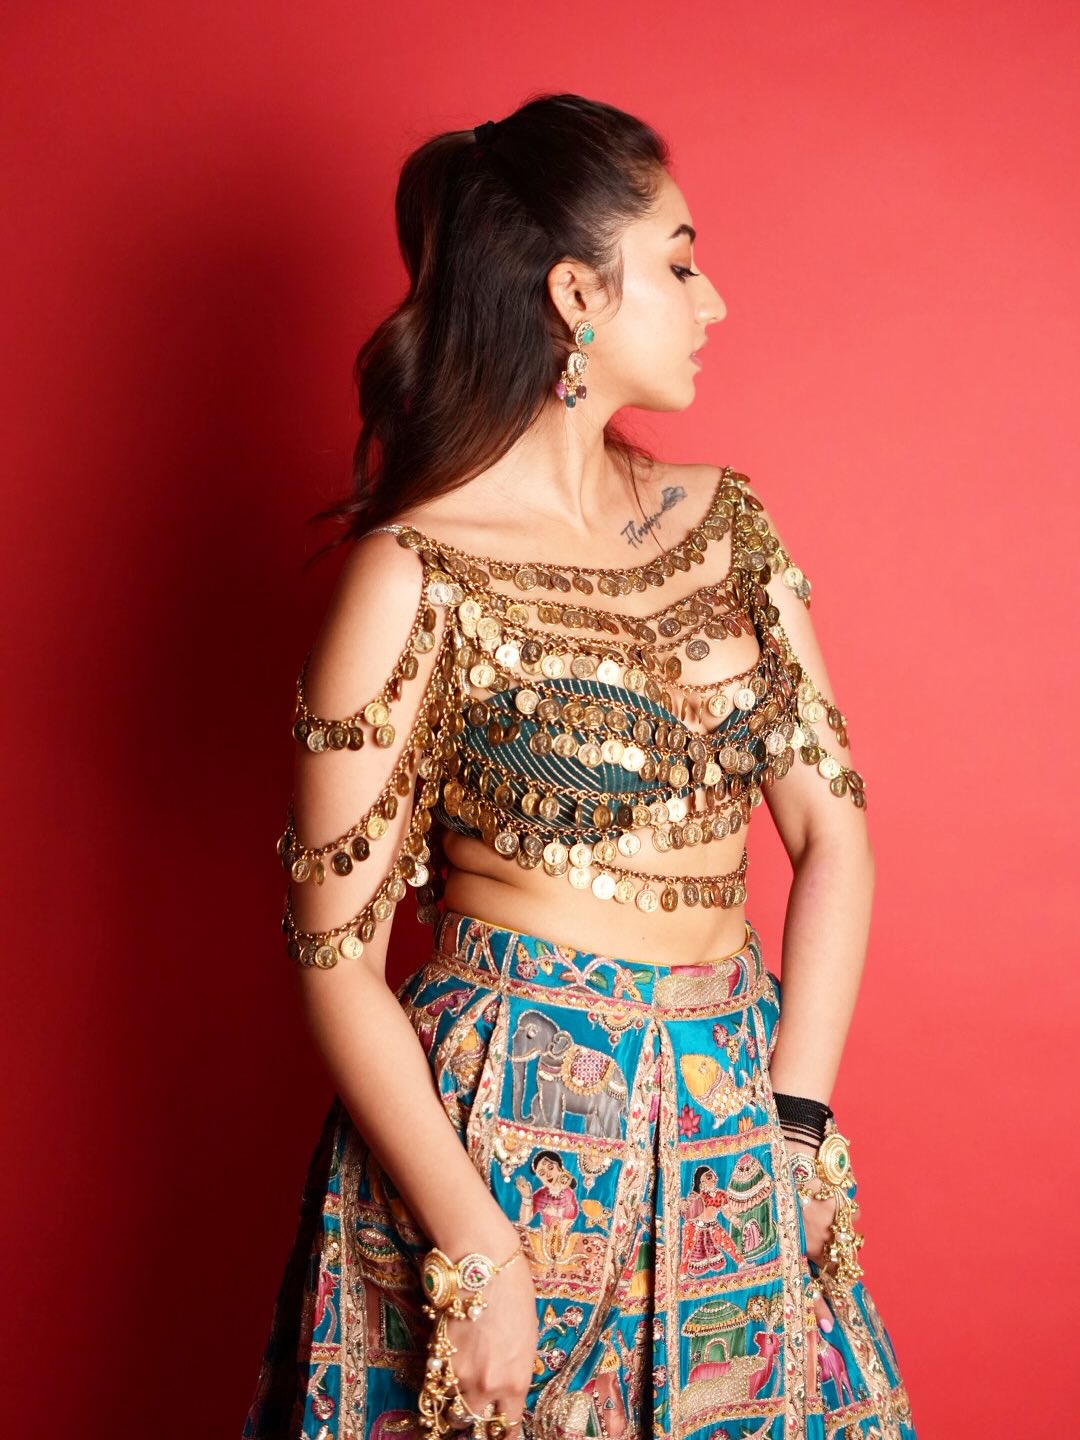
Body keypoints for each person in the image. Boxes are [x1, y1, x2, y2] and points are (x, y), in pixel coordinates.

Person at [242, 92, 916, 1440]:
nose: (713, 300)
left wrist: (794, 1126)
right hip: (497, 1143)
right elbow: (334, 960)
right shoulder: (413, 574)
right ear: (575, 294)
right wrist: (476, 1248)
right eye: (679, 262)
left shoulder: (727, 526)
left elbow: (833, 835)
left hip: (732, 1112)